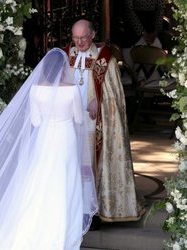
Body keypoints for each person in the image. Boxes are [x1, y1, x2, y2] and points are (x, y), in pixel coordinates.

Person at [0, 48, 98, 249]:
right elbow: (78, 118)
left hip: (44, 140)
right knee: (65, 182)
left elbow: (36, 121)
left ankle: (35, 228)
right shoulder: (72, 90)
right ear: (64, 68)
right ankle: (62, 232)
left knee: (40, 183)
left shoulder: (35, 90)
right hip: (65, 140)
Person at [64, 19, 145, 225]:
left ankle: (96, 211)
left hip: (94, 124)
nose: (79, 42)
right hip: (70, 122)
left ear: (92, 35)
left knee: (91, 166)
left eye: (83, 38)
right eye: (75, 38)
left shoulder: (104, 59)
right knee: (72, 165)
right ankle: (74, 209)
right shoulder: (67, 55)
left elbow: (115, 97)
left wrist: (98, 101)